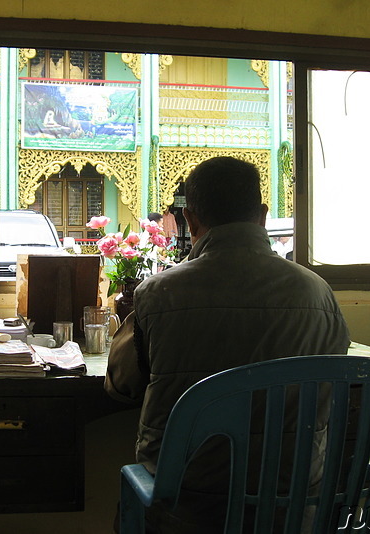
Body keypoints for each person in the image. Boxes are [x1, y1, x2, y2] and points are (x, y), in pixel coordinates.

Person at [105, 156, 350, 533]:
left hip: (186, 508)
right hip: (289, 509)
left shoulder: (158, 293)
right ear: (263, 216)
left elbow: (120, 386)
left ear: (191, 220)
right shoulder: (317, 293)